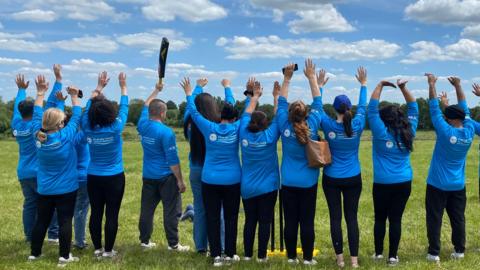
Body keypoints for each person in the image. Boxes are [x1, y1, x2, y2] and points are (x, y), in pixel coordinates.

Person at [180, 77, 241, 267]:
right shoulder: (216, 123)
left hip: (198, 170)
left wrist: (194, 89)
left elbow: (192, 109)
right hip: (216, 173)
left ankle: (201, 246)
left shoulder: (191, 122)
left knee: (201, 209)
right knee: (221, 212)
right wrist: (227, 88)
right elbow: (231, 110)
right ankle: (222, 248)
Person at [28, 75, 82, 267]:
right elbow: (77, 116)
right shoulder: (65, 136)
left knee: (41, 221)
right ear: (60, 124)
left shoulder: (37, 136)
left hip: (45, 189)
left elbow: (36, 113)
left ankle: (35, 254)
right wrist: (75, 96)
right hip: (66, 189)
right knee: (65, 221)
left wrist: (40, 93)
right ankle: (64, 256)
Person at [319, 67, 367, 268]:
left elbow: (316, 108)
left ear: (335, 109)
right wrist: (363, 85)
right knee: (351, 218)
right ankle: (354, 262)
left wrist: (319, 87)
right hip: (353, 178)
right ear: (349, 109)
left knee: (335, 218)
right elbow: (363, 106)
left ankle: (340, 260)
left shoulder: (328, 125)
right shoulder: (356, 124)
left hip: (331, 178)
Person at [424, 74, 474, 263]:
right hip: (457, 185)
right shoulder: (469, 131)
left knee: (434, 219)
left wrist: (431, 84)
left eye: (446, 117)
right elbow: (464, 108)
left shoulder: (445, 132)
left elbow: (433, 107)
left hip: (437, 184)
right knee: (458, 218)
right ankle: (459, 251)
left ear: (450, 120)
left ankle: (434, 253)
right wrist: (459, 86)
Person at [367, 79, 418, 266]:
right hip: (403, 182)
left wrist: (379, 85)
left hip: (382, 183)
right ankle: (393, 257)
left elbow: (371, 109)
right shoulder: (409, 131)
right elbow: (414, 108)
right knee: (396, 219)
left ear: (384, 119)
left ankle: (379, 254)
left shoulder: (380, 132)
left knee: (380, 218)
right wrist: (404, 88)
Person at [277, 60, 322, 265]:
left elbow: (281, 101)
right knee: (307, 221)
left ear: (290, 114)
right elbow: (318, 101)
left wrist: (287, 78)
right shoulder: (312, 123)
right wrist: (312, 77)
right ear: (306, 114)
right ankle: (307, 258)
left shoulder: (283, 124)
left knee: (291, 221)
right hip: (308, 183)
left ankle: (291, 258)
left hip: (287, 182)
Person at [80, 71, 128, 258]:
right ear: (110, 112)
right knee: (112, 214)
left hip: (93, 176)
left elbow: (86, 110)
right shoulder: (116, 127)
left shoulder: (87, 127)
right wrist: (123, 85)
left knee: (96, 213)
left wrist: (98, 88)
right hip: (114, 177)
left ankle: (97, 249)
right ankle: (108, 251)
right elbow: (124, 106)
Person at [137, 81, 189, 251]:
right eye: (165, 111)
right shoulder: (166, 132)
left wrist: (156, 91)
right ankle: (173, 244)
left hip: (148, 176)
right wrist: (180, 181)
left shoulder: (142, 125)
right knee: (171, 212)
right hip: (166, 177)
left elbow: (146, 104)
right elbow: (173, 161)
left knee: (147, 210)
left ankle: (144, 242)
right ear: (162, 113)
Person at [45, 65, 91, 250]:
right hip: (84, 178)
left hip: (69, 179)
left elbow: (57, 118)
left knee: (63, 211)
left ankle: (53, 234)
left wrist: (60, 103)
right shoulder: (80, 136)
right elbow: (84, 117)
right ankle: (79, 242)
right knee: (81, 211)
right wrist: (76, 97)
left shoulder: (63, 136)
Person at [12, 73, 59, 244]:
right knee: (51, 202)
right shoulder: (35, 126)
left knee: (29, 205)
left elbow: (18, 108)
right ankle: (53, 235)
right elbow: (51, 107)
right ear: (34, 112)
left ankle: (30, 236)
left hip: (23, 172)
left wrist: (21, 90)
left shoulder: (17, 125)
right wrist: (56, 85)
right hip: (39, 172)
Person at [239, 80, 280, 262]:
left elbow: (246, 114)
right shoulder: (270, 135)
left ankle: (247, 255)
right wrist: (276, 97)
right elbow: (279, 117)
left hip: (248, 187)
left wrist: (254, 97)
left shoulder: (243, 133)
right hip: (268, 188)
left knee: (250, 221)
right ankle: (262, 256)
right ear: (265, 124)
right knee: (265, 222)